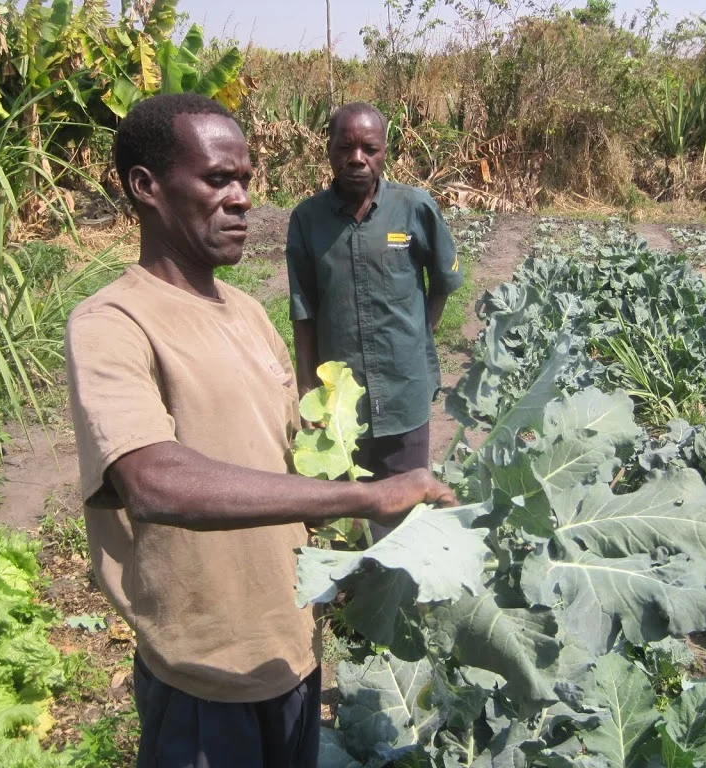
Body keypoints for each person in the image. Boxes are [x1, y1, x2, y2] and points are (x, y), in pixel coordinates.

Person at [64, 93, 455, 768]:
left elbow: (289, 468)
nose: (242, 198)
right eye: (218, 179)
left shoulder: (246, 313)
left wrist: (351, 559)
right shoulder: (113, 322)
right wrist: (367, 497)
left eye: (245, 179)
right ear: (146, 188)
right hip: (205, 676)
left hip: (293, 655)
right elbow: (153, 482)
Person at [286, 103, 463, 496]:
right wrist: (305, 388)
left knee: (406, 505)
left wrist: (421, 335)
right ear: (328, 150)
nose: (357, 159)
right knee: (350, 512)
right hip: (342, 400)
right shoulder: (307, 219)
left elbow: (443, 280)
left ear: (385, 150)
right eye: (345, 147)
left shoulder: (414, 207)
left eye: (370, 148)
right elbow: (303, 310)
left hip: (405, 389)